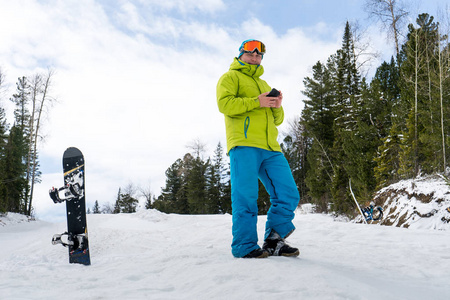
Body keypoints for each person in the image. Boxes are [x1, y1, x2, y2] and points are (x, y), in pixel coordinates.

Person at [216, 39, 300, 258]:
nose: (254, 58)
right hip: (243, 145)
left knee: (288, 193)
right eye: (250, 54)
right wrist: (257, 102)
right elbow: (225, 105)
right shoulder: (230, 77)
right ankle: (244, 246)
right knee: (245, 196)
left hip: (271, 148)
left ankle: (274, 241)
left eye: (258, 56)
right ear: (241, 54)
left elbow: (277, 120)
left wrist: (277, 106)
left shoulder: (264, 84)